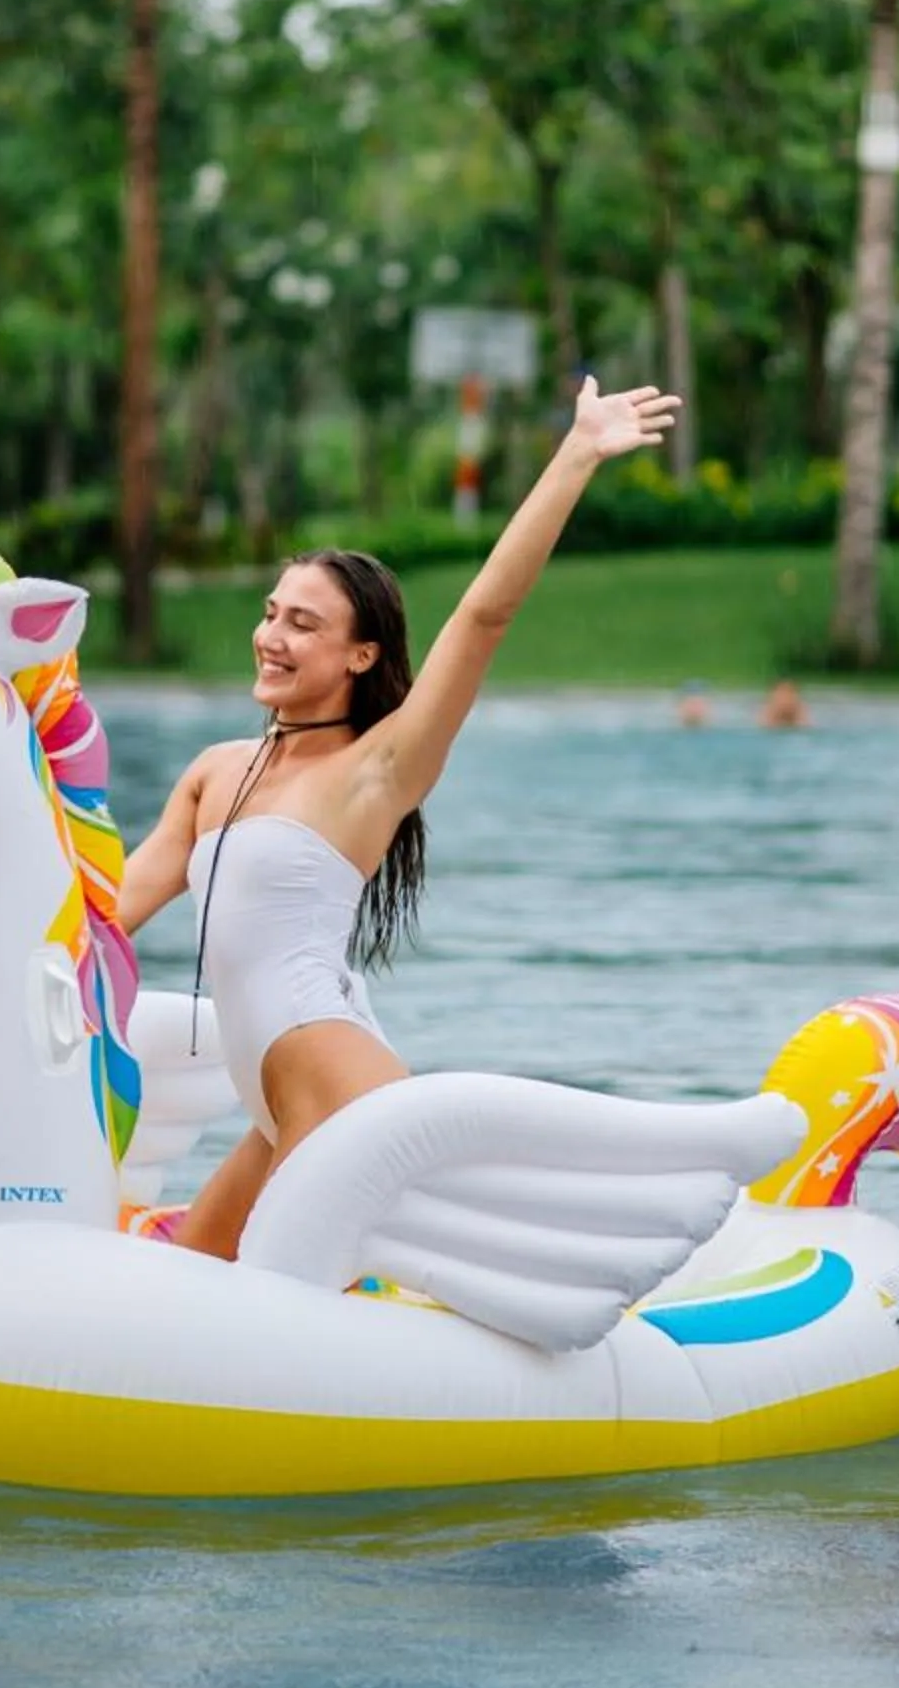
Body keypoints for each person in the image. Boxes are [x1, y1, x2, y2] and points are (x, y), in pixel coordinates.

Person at [116, 373, 681, 1259]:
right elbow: (109, 912)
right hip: (273, 1107)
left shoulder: (376, 771)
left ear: (360, 654)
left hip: (337, 1094)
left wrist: (576, 454)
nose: (271, 635)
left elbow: (484, 616)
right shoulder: (214, 773)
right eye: (270, 613)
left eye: (303, 624)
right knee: (186, 1276)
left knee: (265, 1314)